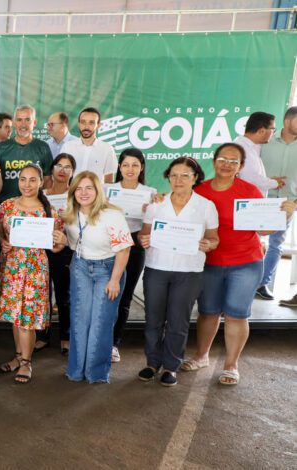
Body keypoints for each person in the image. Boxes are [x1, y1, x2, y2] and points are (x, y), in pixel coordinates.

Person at [182, 143, 295, 385]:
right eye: (223, 159)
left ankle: (231, 366)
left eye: (234, 161)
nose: (227, 164)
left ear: (241, 166)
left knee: (236, 314)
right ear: (214, 162)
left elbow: (264, 229)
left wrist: (283, 214)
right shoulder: (199, 191)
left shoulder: (250, 191)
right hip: (209, 261)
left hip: (245, 261)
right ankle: (201, 356)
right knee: (208, 312)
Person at [137, 157, 219, 386]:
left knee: (178, 321)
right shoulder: (156, 203)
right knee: (153, 318)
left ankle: (171, 366)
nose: (178, 179)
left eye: (185, 175)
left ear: (195, 178)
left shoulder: (205, 205)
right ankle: (152, 363)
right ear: (167, 177)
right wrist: (143, 239)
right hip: (157, 268)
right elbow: (143, 233)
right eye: (173, 175)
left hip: (189, 270)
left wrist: (208, 244)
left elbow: (214, 239)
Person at [0, 164, 66, 383]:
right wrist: (3, 241)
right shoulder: (7, 206)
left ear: (41, 182)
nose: (27, 184)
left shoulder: (48, 210)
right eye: (23, 179)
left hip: (35, 271)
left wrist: (61, 242)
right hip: (12, 268)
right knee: (15, 317)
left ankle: (26, 362)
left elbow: (56, 247)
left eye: (33, 180)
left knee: (27, 321)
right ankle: (18, 356)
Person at [63, 171, 133, 384]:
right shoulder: (70, 214)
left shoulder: (111, 214)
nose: (83, 193)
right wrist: (61, 240)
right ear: (73, 192)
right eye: (79, 189)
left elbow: (124, 250)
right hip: (81, 267)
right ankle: (75, 371)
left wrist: (114, 280)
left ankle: (96, 373)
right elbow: (76, 243)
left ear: (98, 191)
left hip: (108, 269)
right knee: (79, 320)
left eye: (89, 188)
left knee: (100, 322)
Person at [108, 148, 156, 363]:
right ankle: (100, 338)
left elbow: (156, 224)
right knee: (106, 293)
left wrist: (151, 211)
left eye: (135, 165)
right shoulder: (108, 190)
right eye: (126, 165)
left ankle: (113, 343)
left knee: (125, 296)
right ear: (119, 167)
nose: (130, 169)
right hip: (109, 243)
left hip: (135, 243)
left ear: (142, 167)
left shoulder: (150, 193)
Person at [234, 112, 285, 300]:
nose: (274, 132)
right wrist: (273, 183)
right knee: (246, 252)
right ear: (262, 130)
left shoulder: (252, 147)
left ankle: (251, 287)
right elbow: (250, 178)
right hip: (246, 209)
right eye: (273, 129)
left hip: (253, 208)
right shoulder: (241, 148)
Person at [42, 154, 77, 354]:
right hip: (43, 250)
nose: (62, 170)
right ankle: (42, 336)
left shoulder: (76, 195)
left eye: (68, 167)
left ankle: (66, 336)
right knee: (42, 295)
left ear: (73, 172)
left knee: (65, 296)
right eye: (59, 166)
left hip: (66, 250)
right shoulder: (42, 194)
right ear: (52, 169)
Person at [262, 107, 297, 306]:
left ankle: (262, 284)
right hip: (259, 200)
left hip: (287, 202)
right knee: (250, 241)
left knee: (276, 244)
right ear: (287, 121)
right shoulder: (265, 142)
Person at [0, 105, 53, 205]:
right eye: (19, 120)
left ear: (34, 123)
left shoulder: (43, 147)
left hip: (34, 208)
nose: (23, 124)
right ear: (14, 123)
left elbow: (47, 181)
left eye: (27, 120)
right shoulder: (1, 147)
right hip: (6, 207)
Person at [62, 107, 117, 183]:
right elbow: (62, 175)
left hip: (97, 194)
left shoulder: (107, 149)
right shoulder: (67, 147)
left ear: (98, 125)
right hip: (71, 193)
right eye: (83, 122)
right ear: (78, 124)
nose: (86, 127)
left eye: (91, 123)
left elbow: (109, 180)